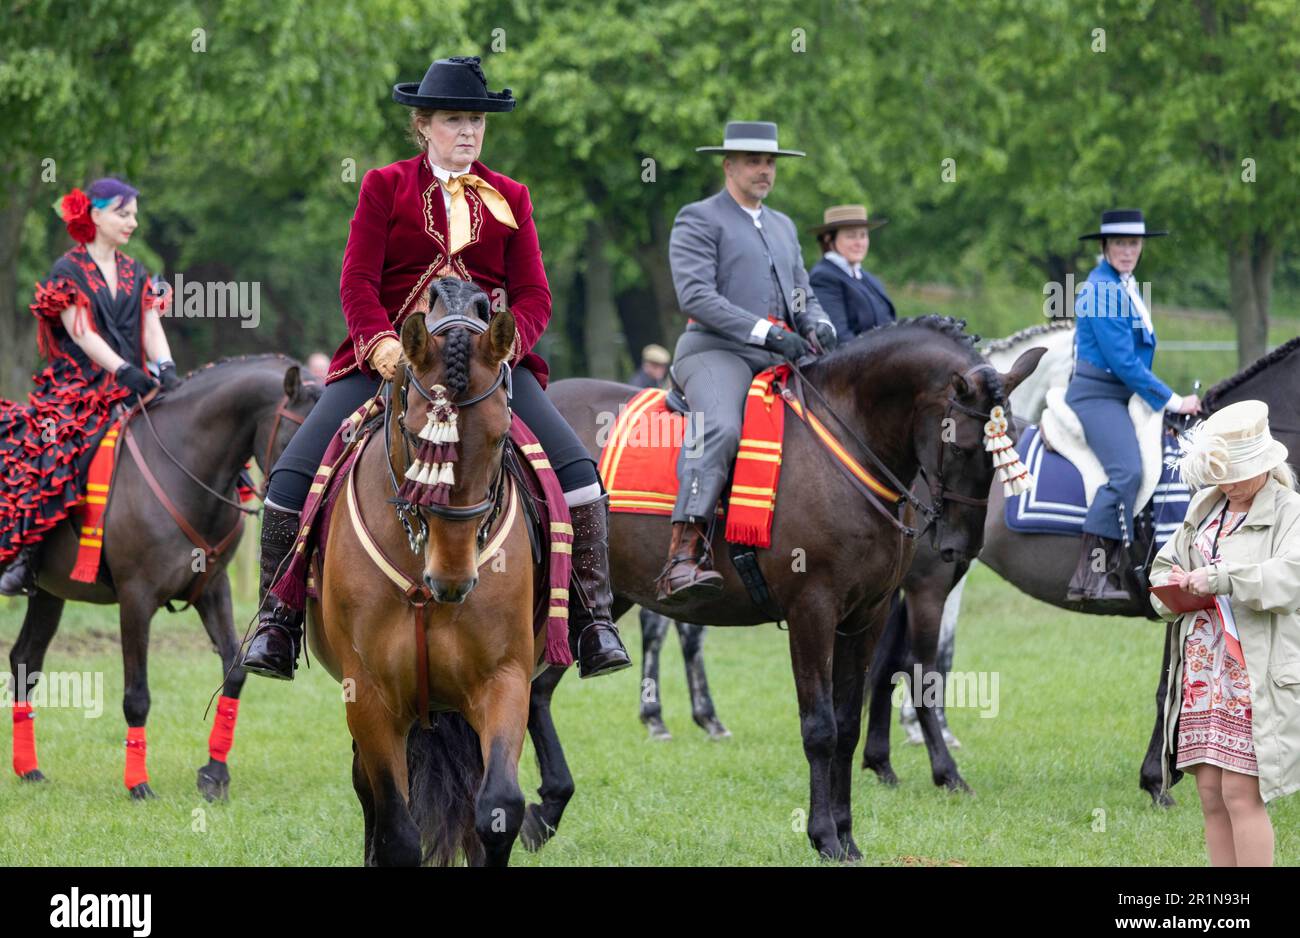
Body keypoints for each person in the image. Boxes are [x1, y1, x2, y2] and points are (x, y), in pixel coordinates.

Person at [240, 55, 630, 680]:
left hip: (489, 368)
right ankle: (276, 625)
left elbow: (535, 296)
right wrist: (384, 347)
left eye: (476, 120)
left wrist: (504, 348)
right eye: (454, 120)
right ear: (422, 124)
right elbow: (358, 282)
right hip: (390, 362)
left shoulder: (511, 197)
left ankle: (591, 618)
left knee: (581, 474)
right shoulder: (383, 186)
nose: (468, 132)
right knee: (289, 479)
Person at [657, 121, 836, 602]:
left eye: (770, 162)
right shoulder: (698, 217)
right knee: (719, 427)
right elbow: (696, 295)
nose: (764, 170)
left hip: (779, 353)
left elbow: (803, 294)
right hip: (715, 353)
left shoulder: (782, 225)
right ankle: (683, 554)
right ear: (728, 165)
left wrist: (818, 324)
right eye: (753, 161)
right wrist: (769, 333)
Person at [0, 178, 177, 596]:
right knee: (57, 452)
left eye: (134, 213)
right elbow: (81, 333)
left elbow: (150, 324)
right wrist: (123, 370)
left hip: (135, 385)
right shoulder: (68, 270)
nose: (132, 221)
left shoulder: (137, 272)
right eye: (123, 213)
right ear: (95, 215)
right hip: (77, 390)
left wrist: (165, 367)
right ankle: (29, 558)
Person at [1150, 400, 1300, 866]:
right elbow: (1164, 564)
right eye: (1220, 473)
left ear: (1264, 465)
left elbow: (1290, 578)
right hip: (1202, 672)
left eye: (1236, 472)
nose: (1227, 482)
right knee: (1211, 791)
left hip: (1251, 672)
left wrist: (1222, 578)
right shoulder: (1206, 504)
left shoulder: (1289, 510)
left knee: (1240, 791)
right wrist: (1168, 589)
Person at [1065, 208, 1201, 606]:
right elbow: (1124, 363)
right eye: (1121, 243)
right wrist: (1174, 399)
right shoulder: (1102, 292)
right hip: (1098, 395)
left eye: (1134, 243)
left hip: (1124, 394)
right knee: (1127, 472)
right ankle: (1089, 577)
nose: (1128, 250)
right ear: (1106, 246)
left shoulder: (1126, 285)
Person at [807, 204, 895, 342]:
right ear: (828, 239)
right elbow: (840, 337)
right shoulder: (823, 278)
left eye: (863, 235)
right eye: (851, 236)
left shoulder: (868, 278)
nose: (859, 243)